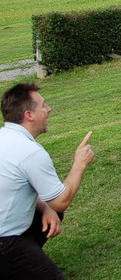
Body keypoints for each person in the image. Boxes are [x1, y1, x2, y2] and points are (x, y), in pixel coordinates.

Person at [0, 83, 95, 278]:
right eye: (43, 105)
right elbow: (61, 200)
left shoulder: (5, 137)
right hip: (5, 240)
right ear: (29, 115)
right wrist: (79, 164)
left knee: (53, 212)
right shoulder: (30, 152)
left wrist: (47, 208)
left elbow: (12, 188)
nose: (49, 109)